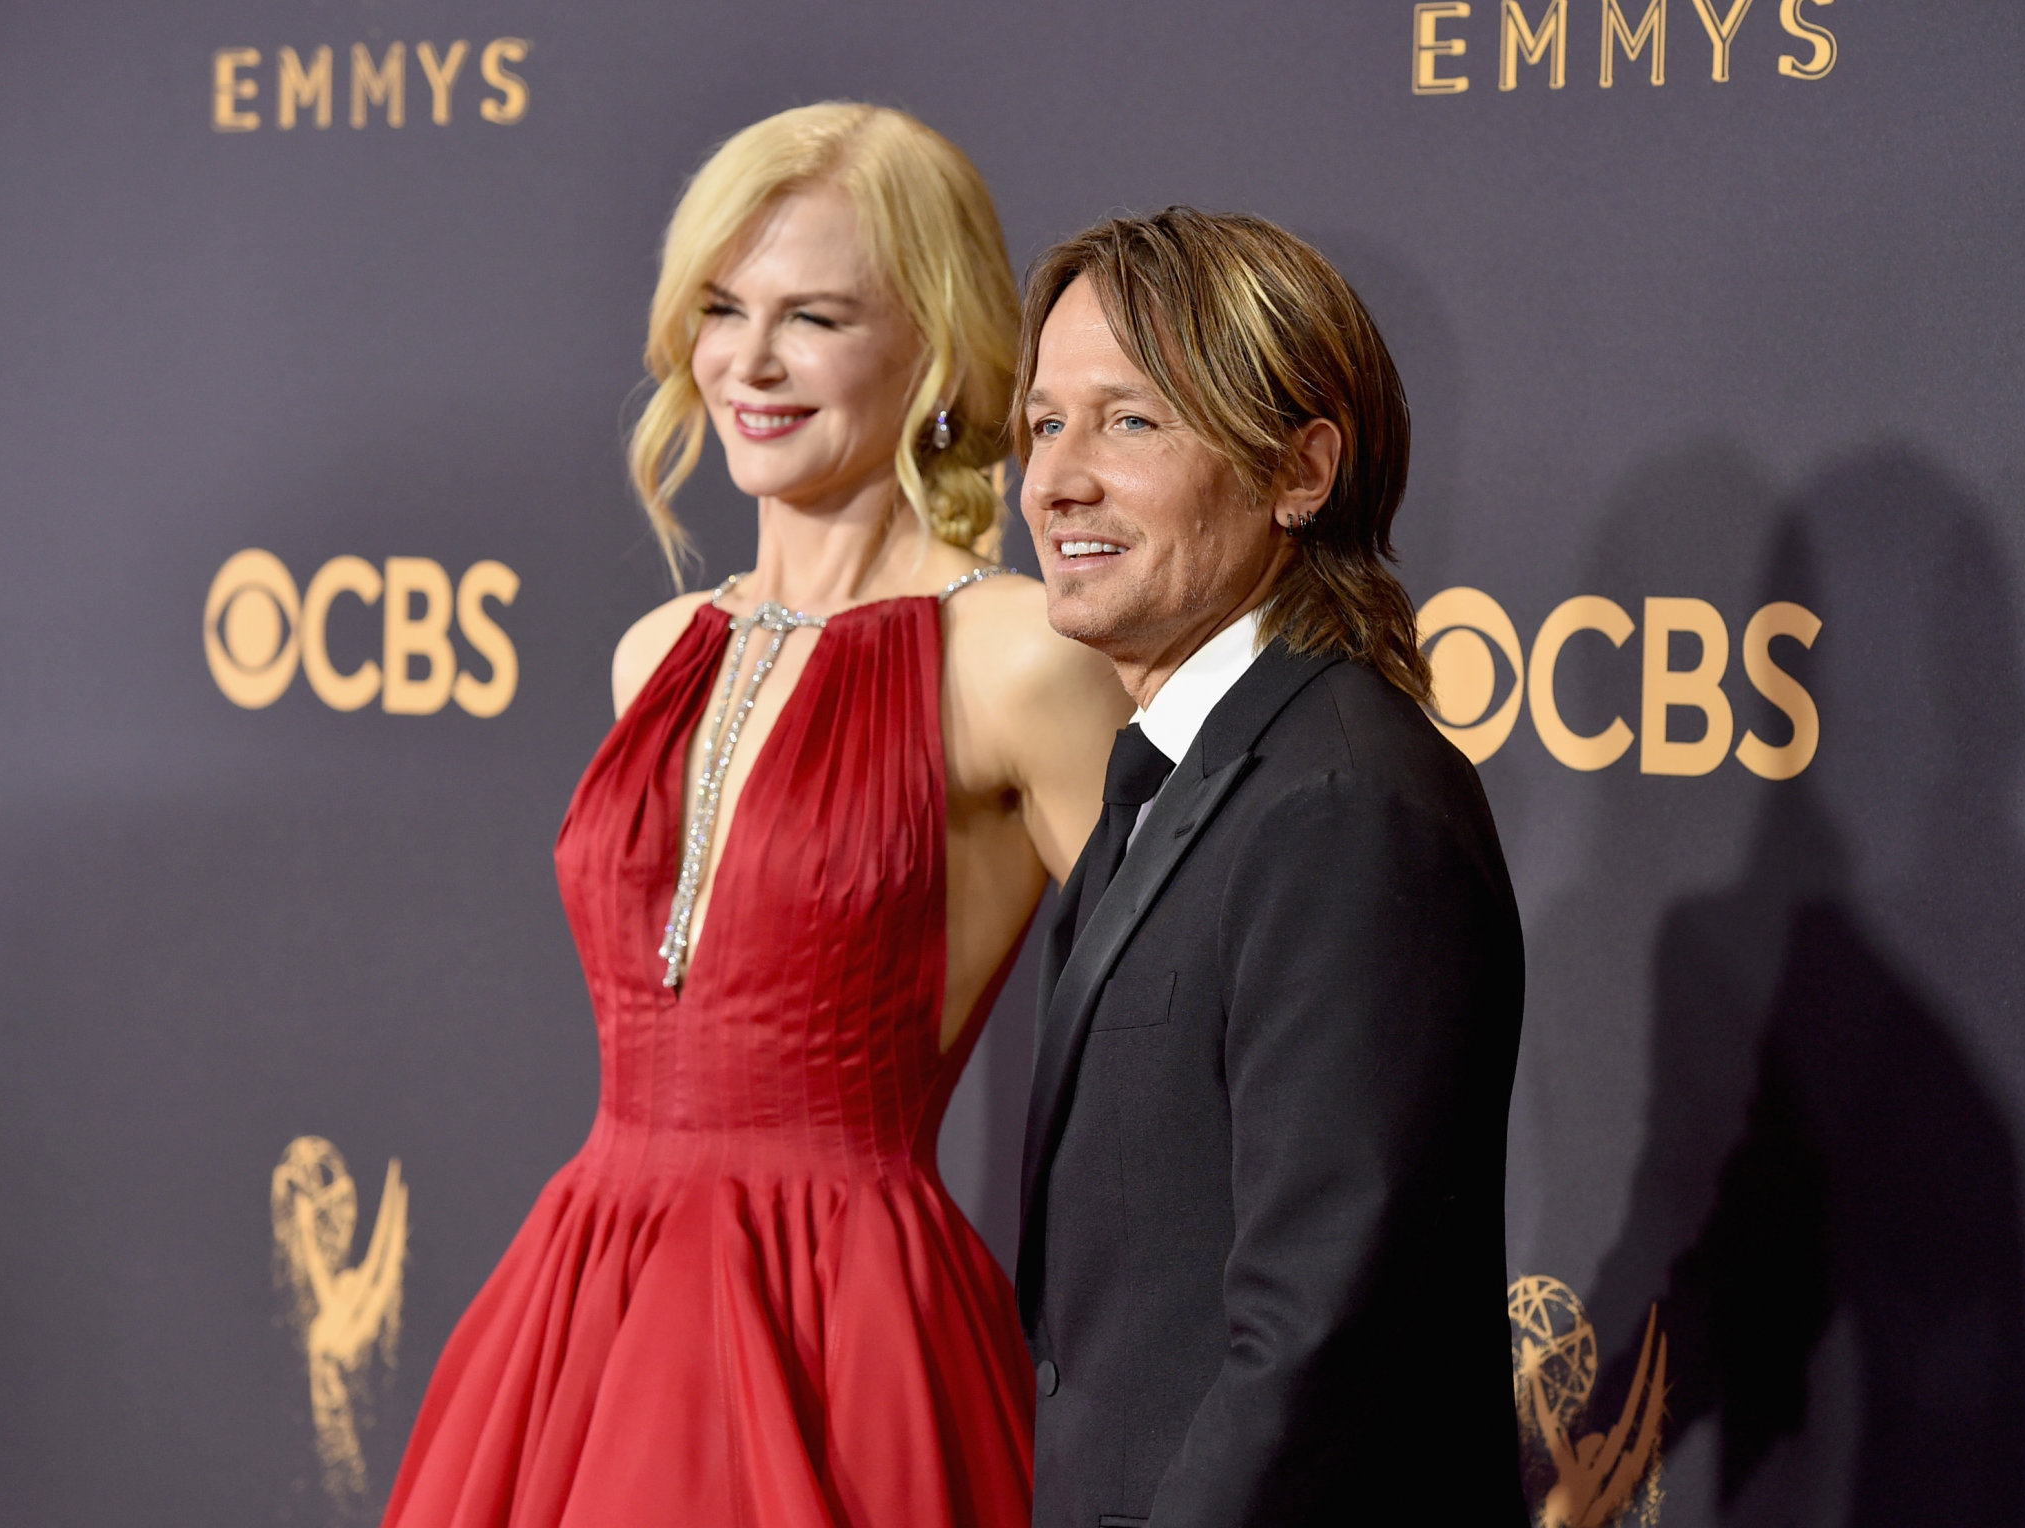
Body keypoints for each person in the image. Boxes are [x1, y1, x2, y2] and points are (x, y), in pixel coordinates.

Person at [384, 103, 1127, 1528]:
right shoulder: (658, 652)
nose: (749, 363)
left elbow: (1172, 1047)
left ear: (938, 341)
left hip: (842, 1321)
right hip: (581, 1311)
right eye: (722, 308)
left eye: (814, 317)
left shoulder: (1019, 655)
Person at [1012, 208, 1529, 1528]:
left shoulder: (1343, 803)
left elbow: (1321, 1337)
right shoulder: (1186, 779)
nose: (1057, 479)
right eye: (1041, 424)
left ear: (1301, 470)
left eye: (1128, 423)